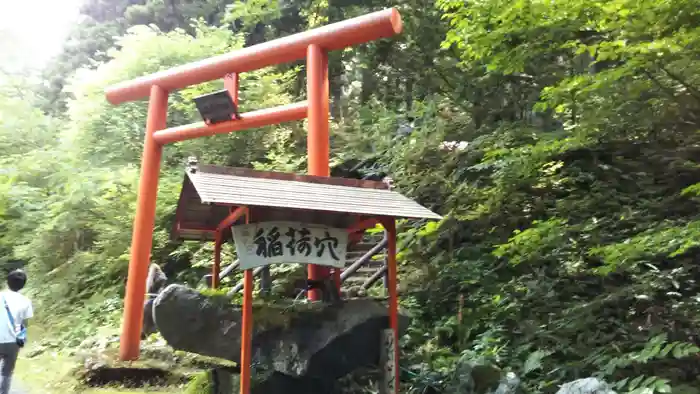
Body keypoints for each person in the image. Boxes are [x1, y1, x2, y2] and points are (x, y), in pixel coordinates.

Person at [0, 270, 33, 394]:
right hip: (13, 341)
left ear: (7, 282)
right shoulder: (26, 301)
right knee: (7, 373)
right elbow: (25, 324)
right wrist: (22, 338)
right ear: (23, 285)